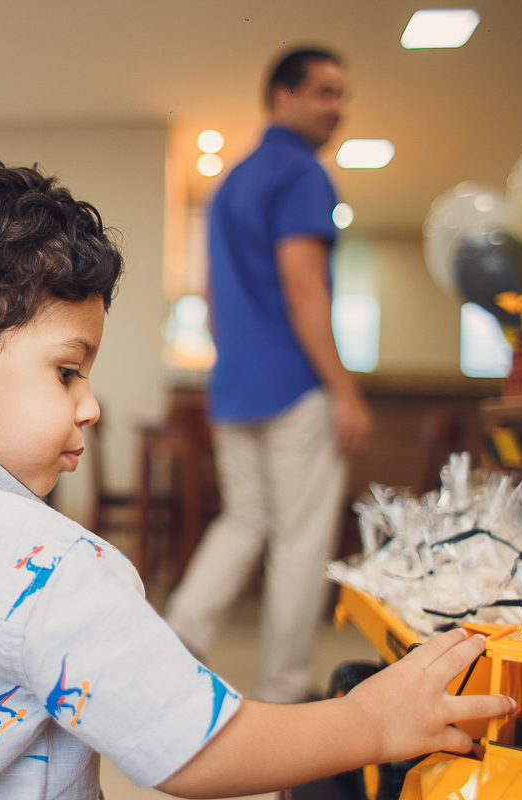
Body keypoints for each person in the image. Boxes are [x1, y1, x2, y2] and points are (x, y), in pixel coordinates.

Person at [0, 138, 510, 798]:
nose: (89, 406)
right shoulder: (55, 566)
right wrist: (369, 722)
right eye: (67, 372)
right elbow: (196, 750)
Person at [163, 47, 374, 704]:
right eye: (323, 93)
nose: (336, 108)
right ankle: (284, 687)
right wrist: (344, 389)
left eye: (342, 95)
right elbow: (305, 289)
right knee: (300, 537)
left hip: (236, 386)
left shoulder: (232, 184)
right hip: (293, 385)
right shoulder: (303, 175)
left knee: (244, 520)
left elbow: (215, 298)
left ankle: (171, 648)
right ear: (281, 96)